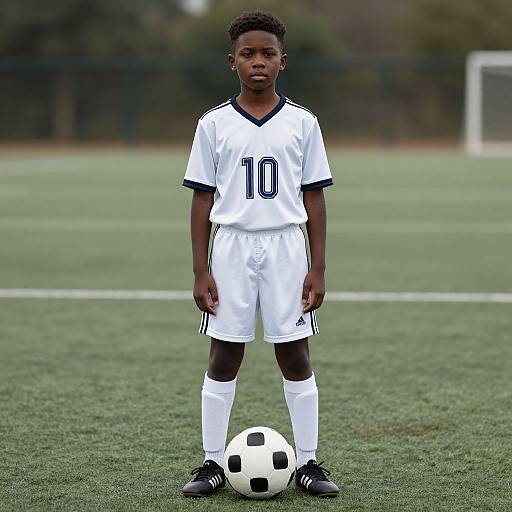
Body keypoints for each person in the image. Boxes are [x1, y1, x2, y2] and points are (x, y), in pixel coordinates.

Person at [180, 10, 340, 498]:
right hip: (230, 247)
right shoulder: (212, 124)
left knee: (294, 352)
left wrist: (317, 266)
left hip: (286, 248)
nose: (257, 62)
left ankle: (309, 462)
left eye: (267, 54)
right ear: (232, 62)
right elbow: (202, 200)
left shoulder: (303, 123)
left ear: (282, 62)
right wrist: (200, 269)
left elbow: (314, 197)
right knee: (224, 353)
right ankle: (210, 462)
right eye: (247, 54)